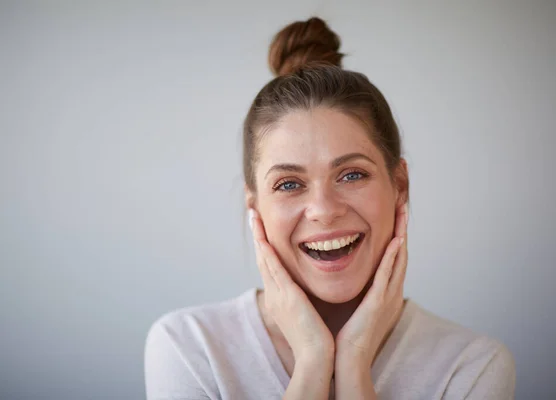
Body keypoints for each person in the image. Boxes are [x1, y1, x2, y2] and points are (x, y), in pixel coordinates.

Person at [144, 17, 516, 400]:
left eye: (352, 175)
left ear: (399, 186)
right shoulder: (190, 349)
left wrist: (354, 363)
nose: (323, 210)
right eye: (289, 184)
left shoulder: (470, 368)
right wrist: (312, 360)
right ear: (254, 207)